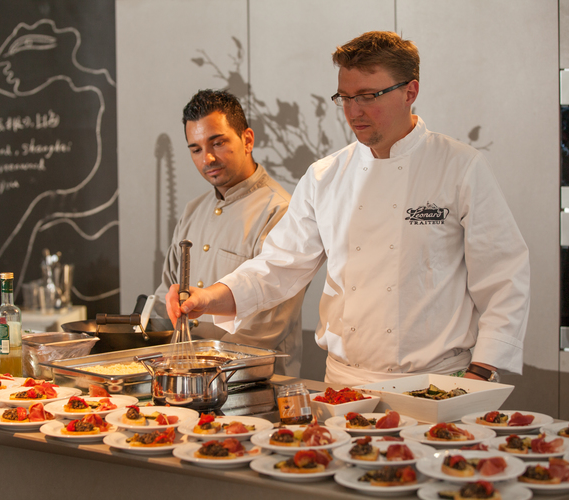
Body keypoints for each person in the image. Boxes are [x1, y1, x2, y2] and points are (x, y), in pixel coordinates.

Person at [166, 32, 530, 386]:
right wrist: (207, 298)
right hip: (345, 384)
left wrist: (482, 371)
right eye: (344, 97)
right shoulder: (324, 176)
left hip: (437, 382)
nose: (354, 111)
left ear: (410, 91)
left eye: (368, 96)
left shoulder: (459, 167)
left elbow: (503, 274)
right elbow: (278, 266)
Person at [152, 89, 306, 376]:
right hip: (188, 377)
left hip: (255, 380)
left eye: (218, 143)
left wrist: (201, 367)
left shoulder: (280, 211)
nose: (207, 158)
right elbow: (166, 293)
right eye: (196, 149)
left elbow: (268, 324)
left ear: (247, 140)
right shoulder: (193, 210)